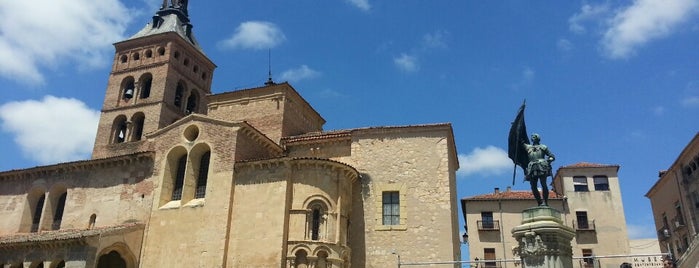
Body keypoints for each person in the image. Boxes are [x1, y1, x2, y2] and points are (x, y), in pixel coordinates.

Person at [523, 133, 555, 206]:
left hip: (542, 166)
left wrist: (549, 160)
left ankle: (545, 202)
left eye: (534, 136)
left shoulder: (543, 147)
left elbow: (552, 156)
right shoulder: (528, 147)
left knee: (543, 184)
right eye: (532, 137)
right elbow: (520, 142)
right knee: (533, 186)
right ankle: (539, 202)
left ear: (538, 138)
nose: (533, 138)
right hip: (531, 167)